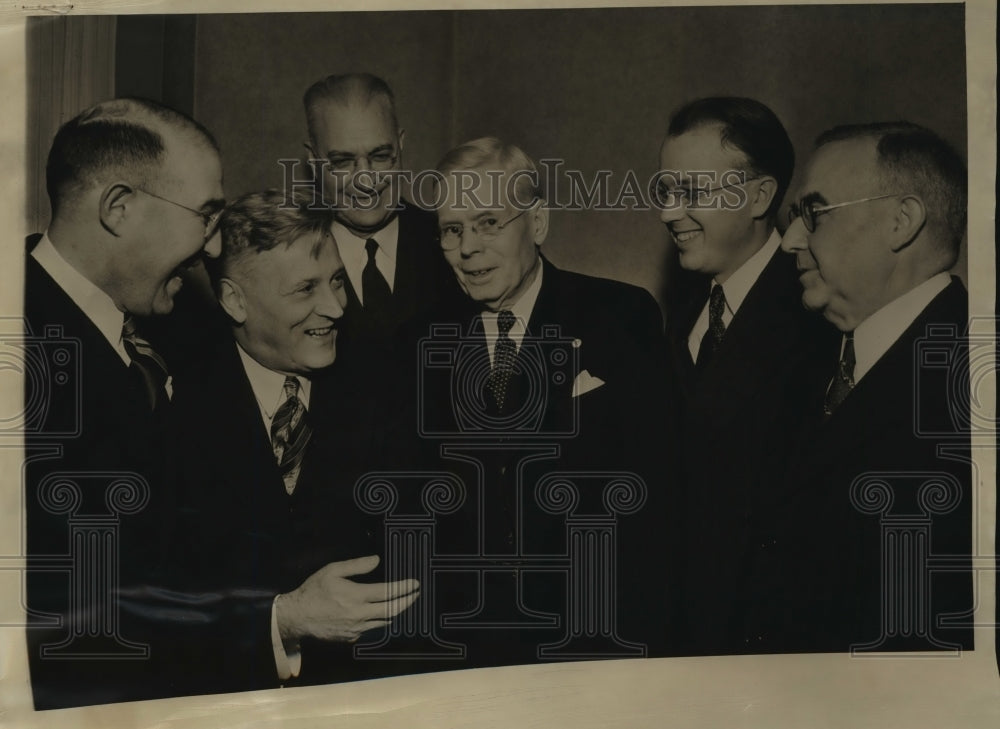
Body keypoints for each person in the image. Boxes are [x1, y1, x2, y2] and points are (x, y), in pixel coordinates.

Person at [404, 137, 670, 667]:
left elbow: (656, 500)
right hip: (463, 655)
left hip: (596, 645)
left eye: (488, 223)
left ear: (539, 223)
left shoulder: (620, 317)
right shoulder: (413, 343)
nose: (467, 248)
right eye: (452, 230)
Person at [163, 190, 420, 696]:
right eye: (305, 289)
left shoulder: (388, 383)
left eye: (337, 281)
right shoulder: (171, 400)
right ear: (235, 300)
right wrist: (283, 621)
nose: (335, 307)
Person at [23, 97, 226, 709]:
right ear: (118, 208)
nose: (213, 250)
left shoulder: (153, 336)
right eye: (206, 217)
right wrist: (275, 622)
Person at [756, 121, 973, 653]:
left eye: (814, 213)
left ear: (901, 222)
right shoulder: (809, 370)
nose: (790, 241)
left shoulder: (976, 382)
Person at [655, 97, 838, 654]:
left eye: (692, 193)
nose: (669, 213)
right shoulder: (685, 310)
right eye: (666, 192)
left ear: (760, 195)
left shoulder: (819, 314)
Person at [302, 72, 461, 351]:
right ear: (313, 162)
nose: (365, 179)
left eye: (379, 156)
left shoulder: (455, 243)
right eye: (342, 161)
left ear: (400, 146)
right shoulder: (291, 257)